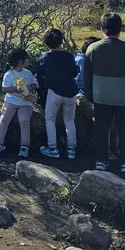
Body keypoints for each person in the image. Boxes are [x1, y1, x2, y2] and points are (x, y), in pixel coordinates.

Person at [84, 13, 125, 174]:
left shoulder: (93, 48)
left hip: (101, 97)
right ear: (121, 29)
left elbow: (87, 76)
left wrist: (89, 95)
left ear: (101, 29)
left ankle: (101, 160)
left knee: (101, 130)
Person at [36, 29, 80, 159]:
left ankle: (52, 148)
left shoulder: (44, 57)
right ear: (61, 41)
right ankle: (71, 149)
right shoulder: (68, 56)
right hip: (71, 91)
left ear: (46, 42)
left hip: (54, 92)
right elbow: (75, 71)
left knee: (50, 119)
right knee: (69, 120)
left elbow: (39, 74)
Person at [0, 48, 38, 158]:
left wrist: (28, 88)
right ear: (20, 61)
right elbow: (5, 89)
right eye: (26, 58)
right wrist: (16, 89)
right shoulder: (8, 74)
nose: (28, 60)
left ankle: (24, 146)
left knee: (24, 121)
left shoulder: (28, 73)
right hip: (11, 101)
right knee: (3, 120)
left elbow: (35, 84)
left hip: (25, 102)